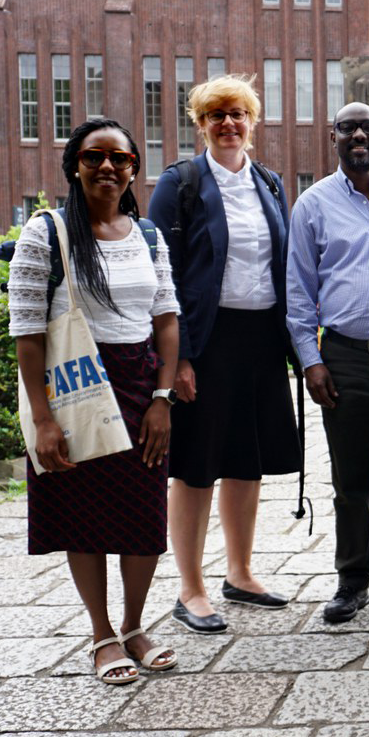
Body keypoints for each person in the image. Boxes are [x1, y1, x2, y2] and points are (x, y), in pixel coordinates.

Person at [9, 119, 180, 683]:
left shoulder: (149, 235)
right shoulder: (46, 233)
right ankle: (102, 635)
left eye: (119, 157)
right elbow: (28, 332)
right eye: (93, 156)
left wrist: (162, 397)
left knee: (144, 512)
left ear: (134, 166)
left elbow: (166, 319)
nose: (107, 167)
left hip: (139, 386)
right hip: (75, 387)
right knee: (81, 513)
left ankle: (134, 625)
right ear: (74, 165)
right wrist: (42, 418)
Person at [147, 73, 296, 633]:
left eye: (238, 114)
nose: (228, 124)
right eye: (216, 115)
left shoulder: (269, 183)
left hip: (260, 338)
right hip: (206, 343)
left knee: (246, 459)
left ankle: (241, 571)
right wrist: (179, 357)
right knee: (196, 464)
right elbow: (163, 276)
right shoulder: (179, 183)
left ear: (252, 122)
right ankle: (190, 588)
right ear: (200, 124)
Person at [287, 102, 369, 624]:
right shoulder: (312, 205)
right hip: (343, 356)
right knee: (350, 480)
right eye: (348, 128)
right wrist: (309, 360)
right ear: (333, 137)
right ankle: (352, 580)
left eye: (368, 127)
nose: (358, 135)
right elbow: (298, 290)